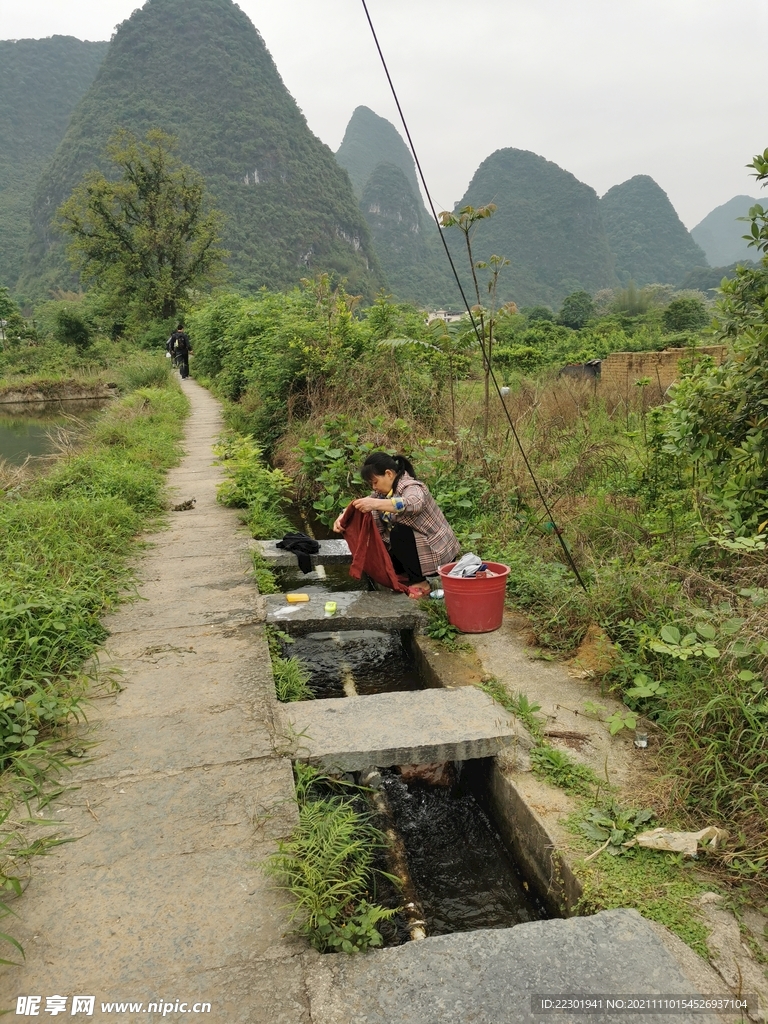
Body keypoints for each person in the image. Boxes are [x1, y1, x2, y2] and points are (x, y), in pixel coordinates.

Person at [333, 452, 460, 599]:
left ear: (388, 474)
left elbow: (413, 503)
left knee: (399, 532)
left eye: (375, 482)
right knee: (380, 557)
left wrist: (375, 504)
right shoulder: (383, 494)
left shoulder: (411, 486)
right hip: (417, 552)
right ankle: (408, 574)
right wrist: (343, 517)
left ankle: (420, 584)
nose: (374, 488)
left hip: (437, 553)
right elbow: (361, 504)